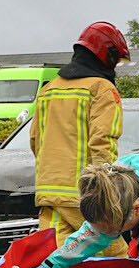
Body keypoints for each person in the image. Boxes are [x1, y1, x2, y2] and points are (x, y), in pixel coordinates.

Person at [31, 21, 128, 253]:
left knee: (59, 259)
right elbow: (103, 143)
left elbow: (35, 140)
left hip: (49, 194)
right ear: (106, 55)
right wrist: (107, 192)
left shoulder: (48, 90)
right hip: (85, 195)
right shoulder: (102, 89)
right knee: (114, 257)